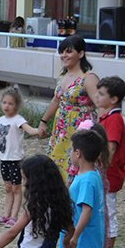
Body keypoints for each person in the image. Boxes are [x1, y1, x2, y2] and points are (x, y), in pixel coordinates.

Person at [39, 35, 99, 182]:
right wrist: (43, 121)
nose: (64, 56)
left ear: (81, 53)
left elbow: (100, 103)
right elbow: (56, 100)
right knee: (57, 166)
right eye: (62, 52)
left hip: (80, 129)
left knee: (76, 165)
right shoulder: (64, 76)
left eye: (68, 52)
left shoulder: (88, 78)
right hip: (61, 129)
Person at [0, 88, 40, 227]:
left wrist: (38, 131)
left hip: (15, 160)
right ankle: (6, 215)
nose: (6, 106)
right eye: (4, 102)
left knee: (16, 188)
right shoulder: (1, 120)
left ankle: (14, 216)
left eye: (10, 103)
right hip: (4, 159)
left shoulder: (18, 120)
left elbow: (29, 130)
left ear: (17, 105)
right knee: (8, 187)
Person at [95, 76, 125, 248]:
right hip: (101, 175)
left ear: (113, 99)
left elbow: (111, 147)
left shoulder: (114, 119)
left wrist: (98, 166)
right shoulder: (106, 117)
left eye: (101, 94)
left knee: (109, 216)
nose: (97, 97)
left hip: (108, 176)